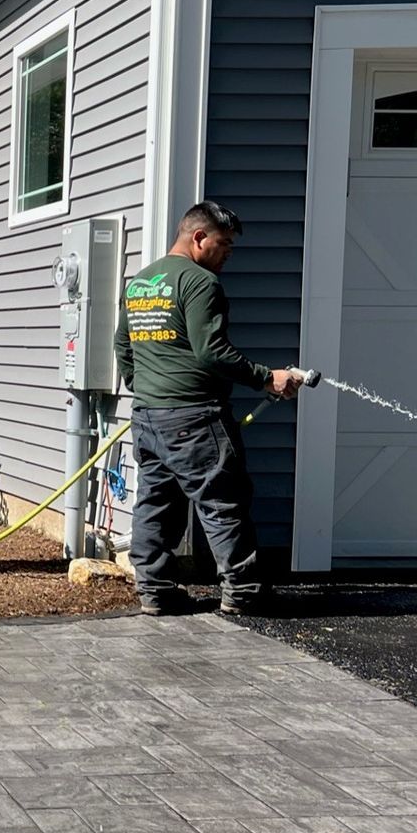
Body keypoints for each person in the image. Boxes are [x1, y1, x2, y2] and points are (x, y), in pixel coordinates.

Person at [113, 202, 303, 616]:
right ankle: (243, 590)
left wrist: (145, 386)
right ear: (198, 237)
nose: (228, 253)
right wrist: (266, 377)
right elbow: (212, 352)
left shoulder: (142, 282)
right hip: (195, 417)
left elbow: (123, 347)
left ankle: (156, 591)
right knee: (223, 500)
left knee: (155, 502)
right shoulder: (200, 283)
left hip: (148, 416)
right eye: (224, 244)